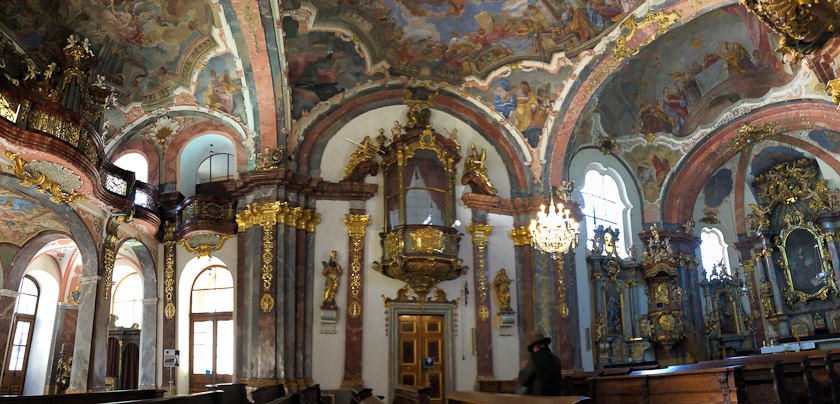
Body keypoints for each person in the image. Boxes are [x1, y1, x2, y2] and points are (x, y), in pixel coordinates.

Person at [518, 332, 564, 396]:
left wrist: (524, 369)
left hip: (540, 398)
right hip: (556, 397)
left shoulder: (534, 358)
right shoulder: (556, 358)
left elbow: (524, 381)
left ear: (535, 347)